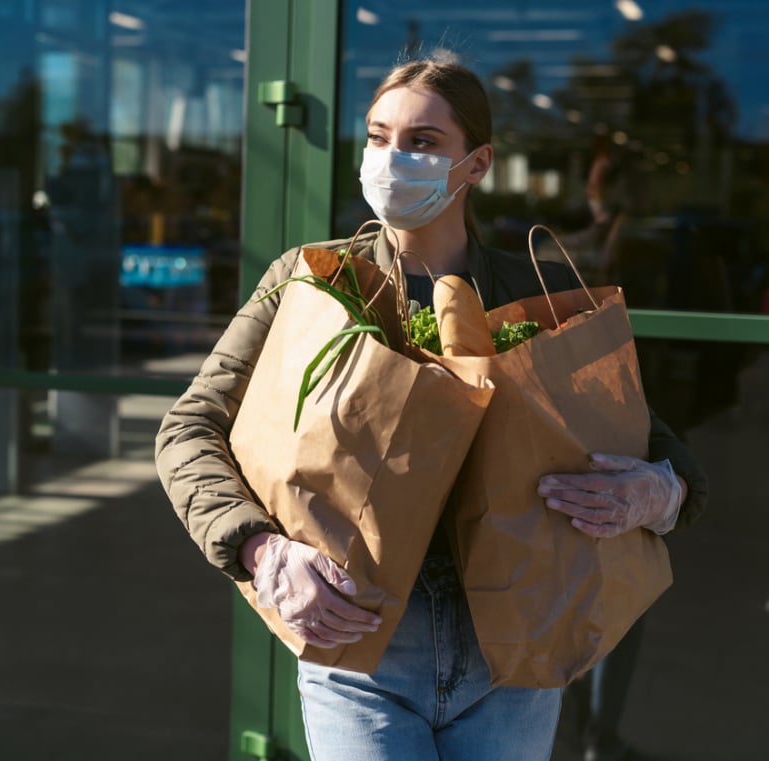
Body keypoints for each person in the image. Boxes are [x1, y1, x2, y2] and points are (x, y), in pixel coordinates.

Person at [154, 54, 708, 761]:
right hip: (357, 642)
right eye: (378, 136)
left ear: (476, 165)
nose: (392, 158)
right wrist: (261, 550)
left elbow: (666, 449)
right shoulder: (312, 281)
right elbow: (188, 427)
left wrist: (653, 491)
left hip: (513, 655)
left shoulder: (529, 293)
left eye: (422, 143)